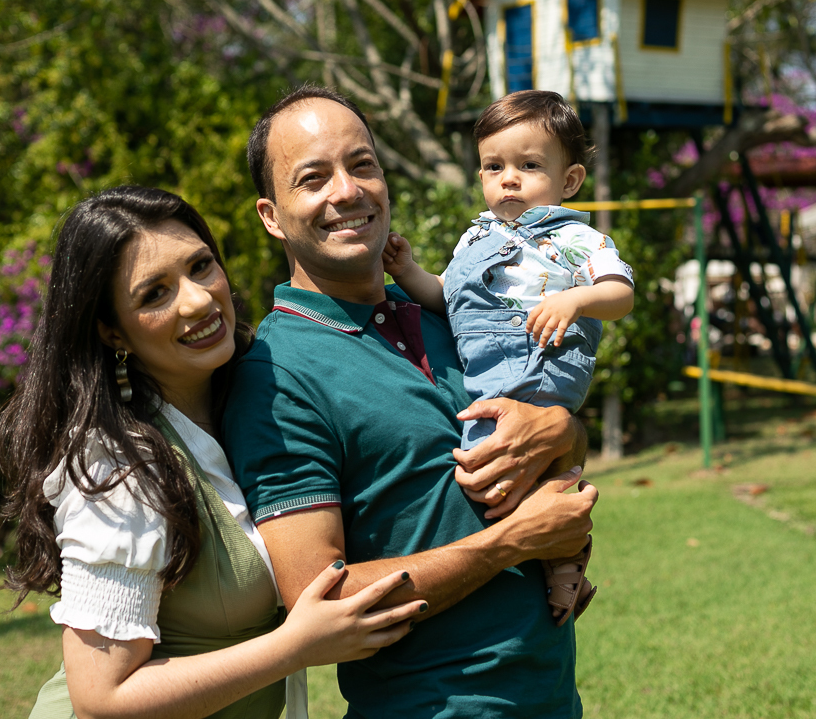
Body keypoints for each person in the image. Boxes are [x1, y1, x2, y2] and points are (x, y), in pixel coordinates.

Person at [225, 85, 599, 719]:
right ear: (271, 215)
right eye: (313, 178)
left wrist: (563, 430)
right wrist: (511, 543)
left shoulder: (448, 315)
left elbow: (546, 428)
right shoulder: (276, 371)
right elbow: (321, 600)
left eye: (361, 164)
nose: (346, 190)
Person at [0, 186, 429, 719]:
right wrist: (295, 646)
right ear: (112, 332)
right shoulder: (119, 466)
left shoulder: (258, 403)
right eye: (154, 294)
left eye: (200, 266)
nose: (198, 299)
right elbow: (101, 698)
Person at [381, 90, 634, 624]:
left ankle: (563, 560)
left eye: (529, 165)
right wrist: (408, 274)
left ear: (569, 182)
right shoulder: (475, 238)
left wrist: (575, 298)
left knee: (493, 467)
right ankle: (558, 561)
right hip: (488, 377)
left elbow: (620, 294)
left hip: (541, 363)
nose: (509, 179)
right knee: (505, 472)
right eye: (493, 166)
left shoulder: (575, 238)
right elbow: (446, 297)